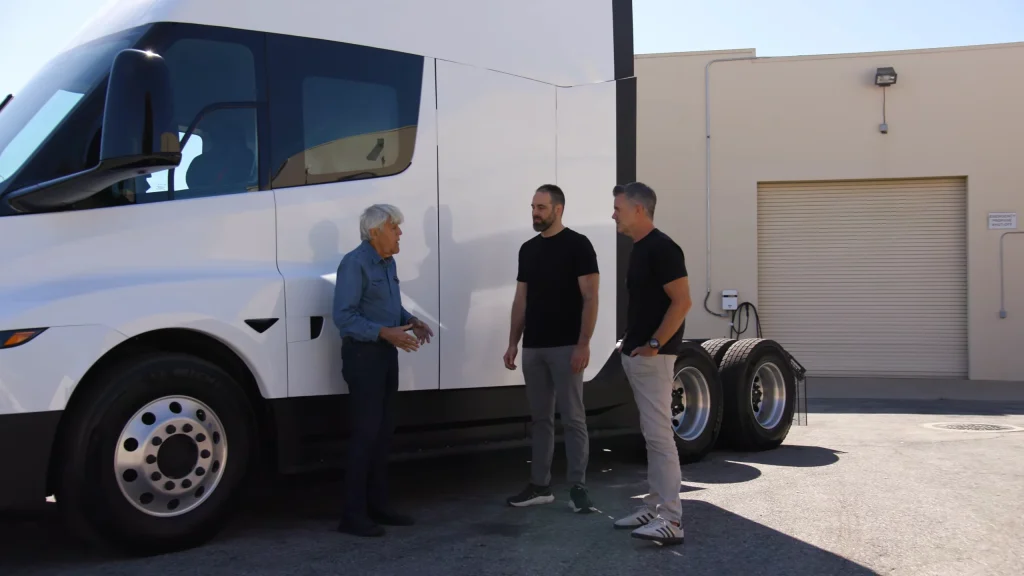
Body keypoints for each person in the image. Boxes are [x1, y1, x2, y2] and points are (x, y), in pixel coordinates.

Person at [332, 203, 434, 538]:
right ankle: (353, 515)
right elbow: (344, 317)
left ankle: (378, 506)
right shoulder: (354, 263)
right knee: (364, 435)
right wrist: (383, 332)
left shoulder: (388, 263)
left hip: (386, 355)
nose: (400, 232)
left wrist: (410, 321)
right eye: (395, 227)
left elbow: (388, 305)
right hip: (364, 358)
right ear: (376, 231)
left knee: (383, 433)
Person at [503, 184, 600, 514]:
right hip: (534, 347)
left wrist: (583, 344)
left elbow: (590, 297)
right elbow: (521, 299)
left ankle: (578, 487)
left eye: (541, 207)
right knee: (540, 419)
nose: (535, 212)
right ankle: (540, 486)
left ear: (558, 209)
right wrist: (513, 343)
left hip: (567, 346)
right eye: (533, 206)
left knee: (573, 418)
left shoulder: (578, 246)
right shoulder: (528, 250)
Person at [609, 182, 691, 546]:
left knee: (660, 438)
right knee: (651, 435)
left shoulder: (663, 248)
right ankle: (654, 505)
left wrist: (654, 345)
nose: (613, 214)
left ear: (639, 210)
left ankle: (671, 519)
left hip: (654, 359)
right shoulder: (640, 249)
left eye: (618, 208)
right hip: (638, 356)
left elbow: (683, 302)